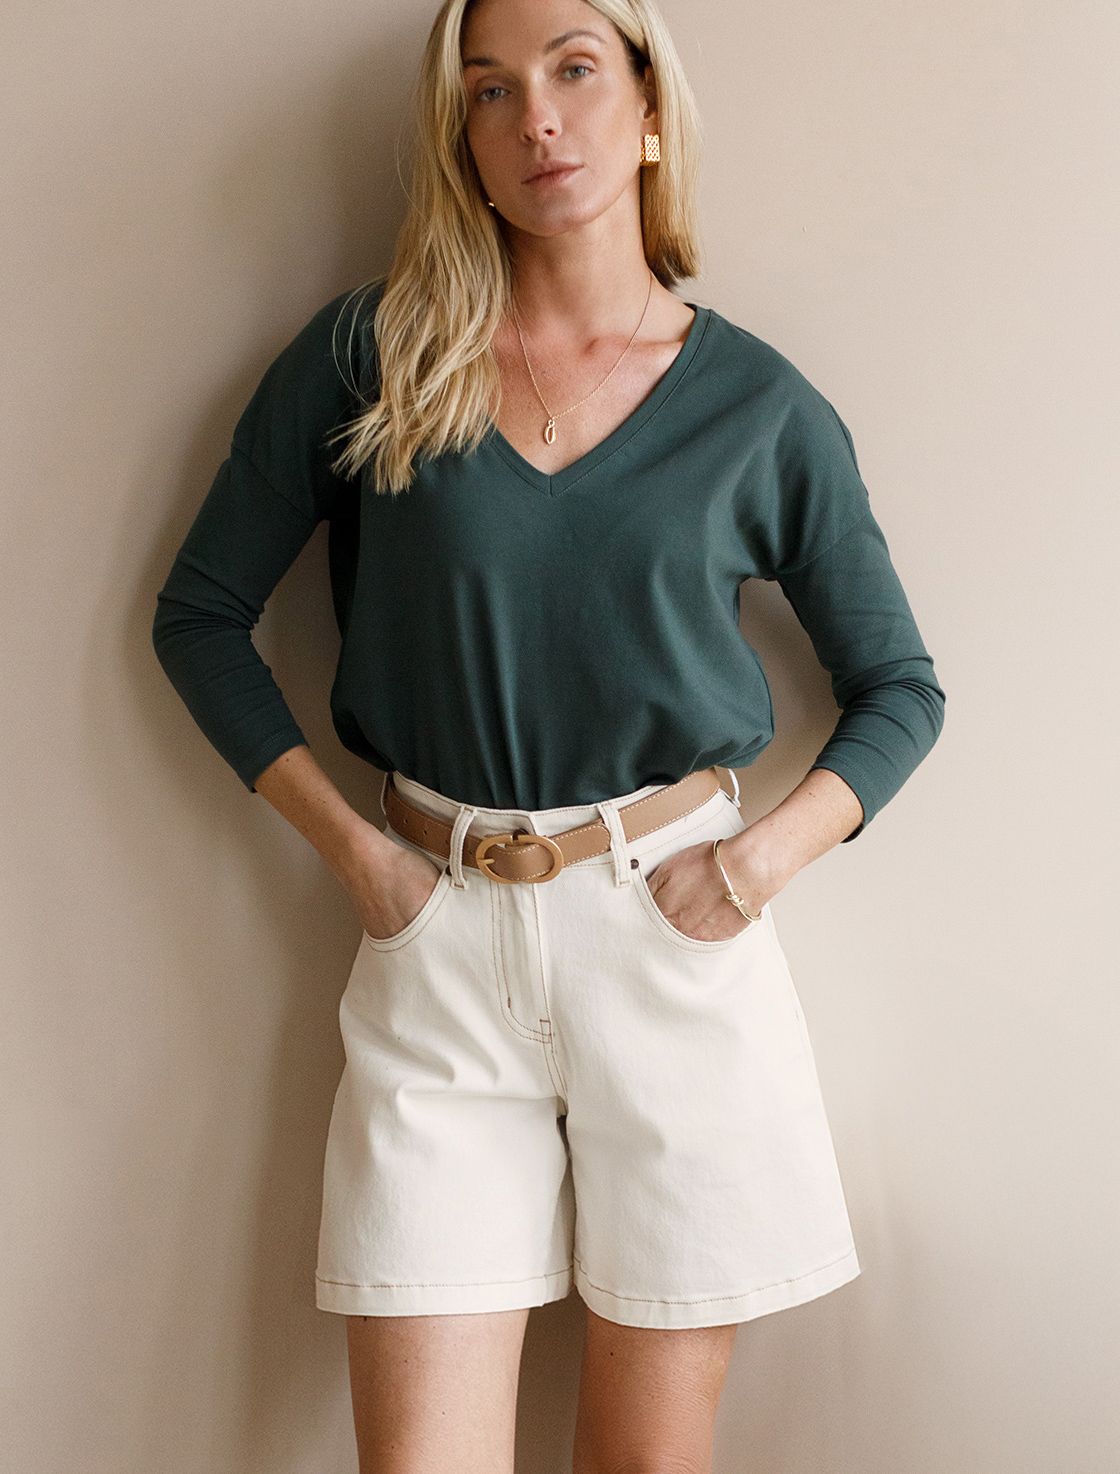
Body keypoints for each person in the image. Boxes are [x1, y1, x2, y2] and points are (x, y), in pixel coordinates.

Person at [152, 0, 946, 1467]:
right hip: (436, 945)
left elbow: (900, 687)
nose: (537, 119)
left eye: (576, 70)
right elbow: (199, 618)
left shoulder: (761, 407)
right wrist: (362, 859)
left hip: (673, 944)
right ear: (459, 134)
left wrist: (755, 865)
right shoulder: (372, 357)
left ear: (648, 108)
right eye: (489, 89)